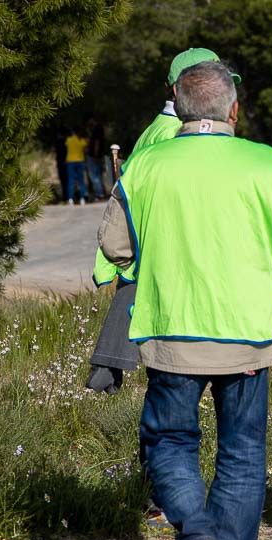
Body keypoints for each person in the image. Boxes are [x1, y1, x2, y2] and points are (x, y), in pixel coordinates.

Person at [98, 61, 272, 540]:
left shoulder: (145, 167)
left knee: (170, 441)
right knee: (242, 448)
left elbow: (115, 247)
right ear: (233, 109)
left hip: (171, 327)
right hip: (247, 331)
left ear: (178, 105)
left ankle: (195, 532)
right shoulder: (268, 163)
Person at [87, 48, 235, 392]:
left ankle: (110, 368)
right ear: (179, 90)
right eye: (209, 82)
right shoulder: (173, 133)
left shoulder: (162, 127)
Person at [64, 126, 89, 204]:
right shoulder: (82, 140)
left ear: (73, 132)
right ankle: (82, 198)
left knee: (71, 181)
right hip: (80, 161)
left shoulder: (69, 140)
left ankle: (70, 199)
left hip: (70, 161)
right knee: (81, 181)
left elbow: (66, 146)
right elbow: (86, 150)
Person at [85, 117, 108, 200]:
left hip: (94, 156)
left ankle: (100, 194)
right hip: (99, 155)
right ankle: (102, 193)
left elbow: (96, 142)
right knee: (99, 175)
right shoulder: (99, 128)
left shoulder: (96, 129)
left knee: (94, 176)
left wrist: (95, 154)